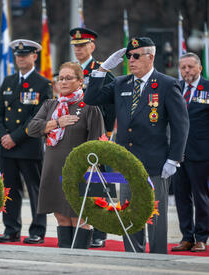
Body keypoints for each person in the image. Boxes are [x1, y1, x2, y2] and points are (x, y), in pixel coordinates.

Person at [84, 37, 189, 254]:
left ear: (150, 57)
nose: (130, 60)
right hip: (127, 161)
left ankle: (158, 257)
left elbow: (181, 124)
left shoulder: (167, 84)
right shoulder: (121, 83)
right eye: (128, 56)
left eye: (136, 56)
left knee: (155, 215)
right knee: (129, 213)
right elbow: (91, 98)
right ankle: (133, 256)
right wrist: (102, 69)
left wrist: (174, 158)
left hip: (156, 161)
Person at [27, 62, 105, 249]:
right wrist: (56, 123)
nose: (62, 82)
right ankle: (64, 258)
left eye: (68, 78)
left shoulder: (89, 107)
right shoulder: (51, 105)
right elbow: (31, 129)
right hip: (53, 167)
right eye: (60, 78)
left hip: (79, 171)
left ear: (80, 82)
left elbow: (98, 142)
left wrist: (87, 170)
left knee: (79, 216)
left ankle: (79, 259)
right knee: (61, 216)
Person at [0, 39, 52, 244]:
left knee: (35, 189)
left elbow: (38, 117)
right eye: (18, 55)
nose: (20, 58)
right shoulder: (8, 82)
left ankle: (37, 230)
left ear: (34, 56)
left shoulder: (43, 84)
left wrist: (14, 137)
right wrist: (2, 137)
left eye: (25, 55)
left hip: (28, 145)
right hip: (6, 146)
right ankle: (11, 228)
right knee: (9, 189)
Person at [69, 27, 116, 248]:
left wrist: (106, 133)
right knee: (78, 183)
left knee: (97, 183)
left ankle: (100, 231)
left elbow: (112, 105)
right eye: (75, 46)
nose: (78, 49)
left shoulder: (102, 71)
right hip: (74, 134)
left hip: (96, 134)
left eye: (82, 45)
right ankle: (82, 227)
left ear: (92, 46)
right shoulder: (69, 71)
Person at [171, 53, 209, 252]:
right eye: (183, 67)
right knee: (181, 196)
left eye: (190, 67)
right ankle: (187, 237)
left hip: (201, 152)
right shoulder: (175, 88)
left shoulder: (207, 89)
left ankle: (202, 237)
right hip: (177, 153)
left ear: (199, 68)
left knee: (200, 195)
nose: (186, 71)